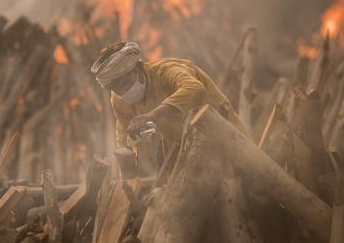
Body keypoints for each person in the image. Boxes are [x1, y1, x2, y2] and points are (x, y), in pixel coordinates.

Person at [91, 41, 247, 165]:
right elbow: (123, 134)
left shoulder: (165, 71)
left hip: (225, 138)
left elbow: (195, 89)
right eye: (116, 89)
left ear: (136, 68)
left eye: (125, 83)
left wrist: (152, 115)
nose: (122, 92)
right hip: (184, 153)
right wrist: (128, 152)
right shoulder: (118, 99)